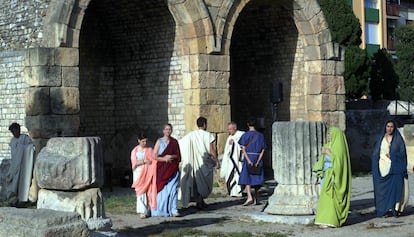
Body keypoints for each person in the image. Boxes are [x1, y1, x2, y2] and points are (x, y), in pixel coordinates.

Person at [312, 127, 351, 228]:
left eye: (330, 134)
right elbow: (322, 160)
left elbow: (340, 163)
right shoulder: (326, 145)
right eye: (328, 134)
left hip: (334, 176)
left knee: (331, 199)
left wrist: (330, 154)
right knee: (325, 199)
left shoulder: (339, 147)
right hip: (326, 175)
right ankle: (324, 219)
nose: (328, 136)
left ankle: (331, 220)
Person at [179, 116, 220, 209]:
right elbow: (211, 149)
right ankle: (199, 201)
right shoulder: (207, 135)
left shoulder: (191, 135)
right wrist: (216, 160)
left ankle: (199, 201)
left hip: (193, 161)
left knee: (196, 181)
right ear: (205, 124)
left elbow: (181, 143)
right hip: (203, 162)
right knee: (203, 182)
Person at [371, 119, 409, 218]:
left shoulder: (398, 139)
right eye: (388, 126)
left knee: (395, 189)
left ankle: (395, 209)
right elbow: (376, 153)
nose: (389, 129)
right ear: (385, 127)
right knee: (383, 191)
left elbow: (402, 154)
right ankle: (384, 210)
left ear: (394, 128)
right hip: (382, 168)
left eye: (391, 127)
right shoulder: (381, 139)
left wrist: (392, 155)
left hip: (395, 169)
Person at [151, 123, 181, 217]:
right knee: (162, 190)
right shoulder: (159, 141)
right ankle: (160, 210)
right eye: (166, 129)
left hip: (172, 169)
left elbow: (178, 155)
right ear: (163, 131)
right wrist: (164, 158)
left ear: (171, 131)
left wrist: (171, 156)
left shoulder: (174, 142)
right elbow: (154, 156)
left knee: (173, 190)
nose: (168, 131)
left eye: (169, 129)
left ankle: (174, 210)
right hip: (162, 169)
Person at [238, 118, 266, 206]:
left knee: (247, 178)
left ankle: (249, 196)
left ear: (248, 124)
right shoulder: (260, 136)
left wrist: (249, 160)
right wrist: (258, 160)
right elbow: (263, 149)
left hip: (249, 157)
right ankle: (256, 197)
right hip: (257, 157)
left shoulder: (245, 135)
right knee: (257, 178)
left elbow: (243, 149)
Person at [6, 122, 35, 206]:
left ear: (19, 130)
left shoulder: (25, 139)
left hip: (23, 166)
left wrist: (22, 148)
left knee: (22, 183)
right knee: (11, 182)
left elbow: (31, 149)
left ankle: (22, 200)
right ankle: (13, 200)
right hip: (15, 165)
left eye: (15, 131)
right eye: (12, 132)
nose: (14, 133)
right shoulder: (13, 140)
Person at [130, 134, 154, 219]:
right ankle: (142, 211)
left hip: (147, 173)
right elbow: (134, 163)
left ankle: (148, 210)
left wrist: (149, 162)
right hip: (138, 173)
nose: (145, 143)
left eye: (146, 141)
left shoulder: (149, 150)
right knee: (140, 192)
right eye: (143, 141)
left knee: (148, 192)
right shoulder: (135, 151)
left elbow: (153, 160)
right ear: (139, 141)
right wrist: (144, 161)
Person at [220, 121, 245, 197]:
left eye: (230, 129)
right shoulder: (229, 138)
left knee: (238, 175)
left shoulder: (241, 134)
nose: (229, 131)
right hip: (230, 161)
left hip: (238, 160)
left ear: (235, 128)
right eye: (228, 129)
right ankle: (233, 192)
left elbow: (242, 145)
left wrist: (234, 143)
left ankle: (239, 191)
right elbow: (227, 150)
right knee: (230, 175)